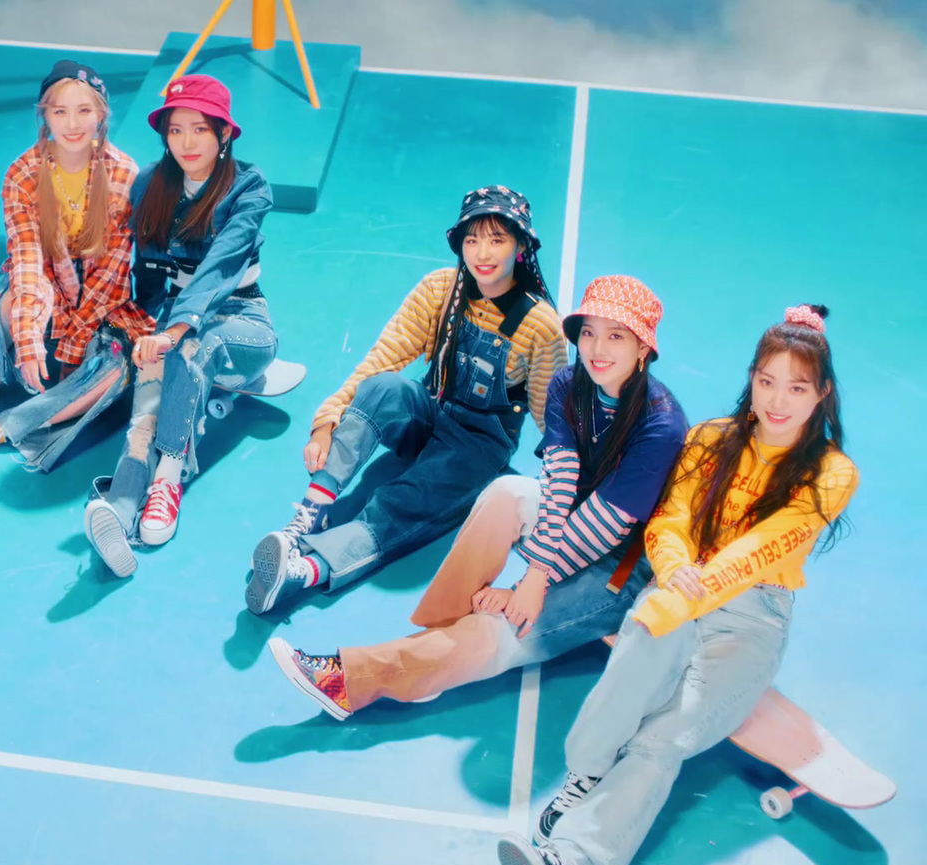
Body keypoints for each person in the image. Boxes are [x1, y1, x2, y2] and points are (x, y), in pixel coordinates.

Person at [500, 305, 856, 865]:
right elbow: (669, 520)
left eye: (796, 387)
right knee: (636, 663)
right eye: (766, 381)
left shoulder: (832, 472)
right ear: (751, 378)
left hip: (751, 616)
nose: (777, 401)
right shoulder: (712, 439)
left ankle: (576, 861)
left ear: (822, 393)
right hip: (681, 582)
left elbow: (763, 547)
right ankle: (585, 776)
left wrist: (682, 592)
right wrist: (674, 568)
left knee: (665, 735)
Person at [269, 276, 686, 719]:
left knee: (501, 631)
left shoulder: (661, 425)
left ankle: (353, 681)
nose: (597, 349)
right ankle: (433, 654)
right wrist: (533, 577)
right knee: (505, 491)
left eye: (616, 336)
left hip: (620, 565)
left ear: (644, 349)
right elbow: (560, 478)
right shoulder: (570, 383)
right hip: (571, 525)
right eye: (589, 333)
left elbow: (606, 526)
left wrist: (528, 584)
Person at [246, 186, 566, 614]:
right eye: (472, 239)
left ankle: (304, 570)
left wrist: (573, 499)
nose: (482, 253)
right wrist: (327, 420)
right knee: (382, 387)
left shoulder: (542, 326)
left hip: (476, 448)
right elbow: (383, 358)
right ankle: (307, 517)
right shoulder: (440, 289)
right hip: (431, 415)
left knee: (401, 501)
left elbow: (553, 418)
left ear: (521, 245)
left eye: (497, 239)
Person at [83, 74, 276, 576]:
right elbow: (145, 266)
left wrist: (174, 329)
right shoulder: (152, 183)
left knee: (192, 347)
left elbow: (221, 267)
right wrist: (143, 326)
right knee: (152, 378)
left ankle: (168, 479)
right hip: (172, 320)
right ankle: (123, 501)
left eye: (199, 129)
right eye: (175, 130)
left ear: (224, 134)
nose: (186, 143)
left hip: (242, 322)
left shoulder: (249, 187)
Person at [0, 60, 156, 473]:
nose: (72, 124)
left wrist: (74, 351)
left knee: (113, 370)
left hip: (96, 293)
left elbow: (109, 276)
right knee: (18, 296)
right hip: (43, 278)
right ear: (45, 116)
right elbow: (27, 262)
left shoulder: (125, 175)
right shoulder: (22, 174)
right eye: (60, 111)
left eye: (84, 111)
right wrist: (29, 342)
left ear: (101, 116)